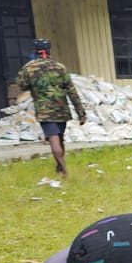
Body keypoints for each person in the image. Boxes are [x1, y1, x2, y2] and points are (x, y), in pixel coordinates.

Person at [16, 38, 86, 178]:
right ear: (49, 50)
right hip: (61, 109)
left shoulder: (29, 68)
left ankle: (64, 170)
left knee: (53, 139)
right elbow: (72, 91)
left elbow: (22, 85)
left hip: (44, 110)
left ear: (35, 51)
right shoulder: (60, 67)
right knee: (60, 139)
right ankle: (59, 166)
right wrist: (81, 113)